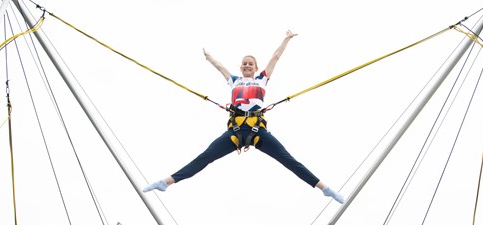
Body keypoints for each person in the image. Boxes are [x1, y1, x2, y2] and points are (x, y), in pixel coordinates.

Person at [143, 31, 344, 203]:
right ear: (241, 68)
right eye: (245, 64)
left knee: (288, 160)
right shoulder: (234, 80)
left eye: (251, 64)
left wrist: (287, 39)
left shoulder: (262, 79)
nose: (247, 65)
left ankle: (324, 188)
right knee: (204, 158)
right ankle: (165, 183)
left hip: (258, 132)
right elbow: (220, 67)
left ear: (256, 68)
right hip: (235, 132)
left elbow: (275, 57)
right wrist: (209, 58)